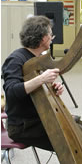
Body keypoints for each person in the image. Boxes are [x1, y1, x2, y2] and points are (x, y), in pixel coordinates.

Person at [2, 16, 64, 151]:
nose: (52, 38)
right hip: (22, 126)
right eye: (51, 34)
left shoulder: (37, 58)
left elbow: (36, 90)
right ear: (43, 38)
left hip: (38, 118)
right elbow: (12, 92)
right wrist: (42, 79)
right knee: (73, 136)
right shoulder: (15, 59)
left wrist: (53, 89)